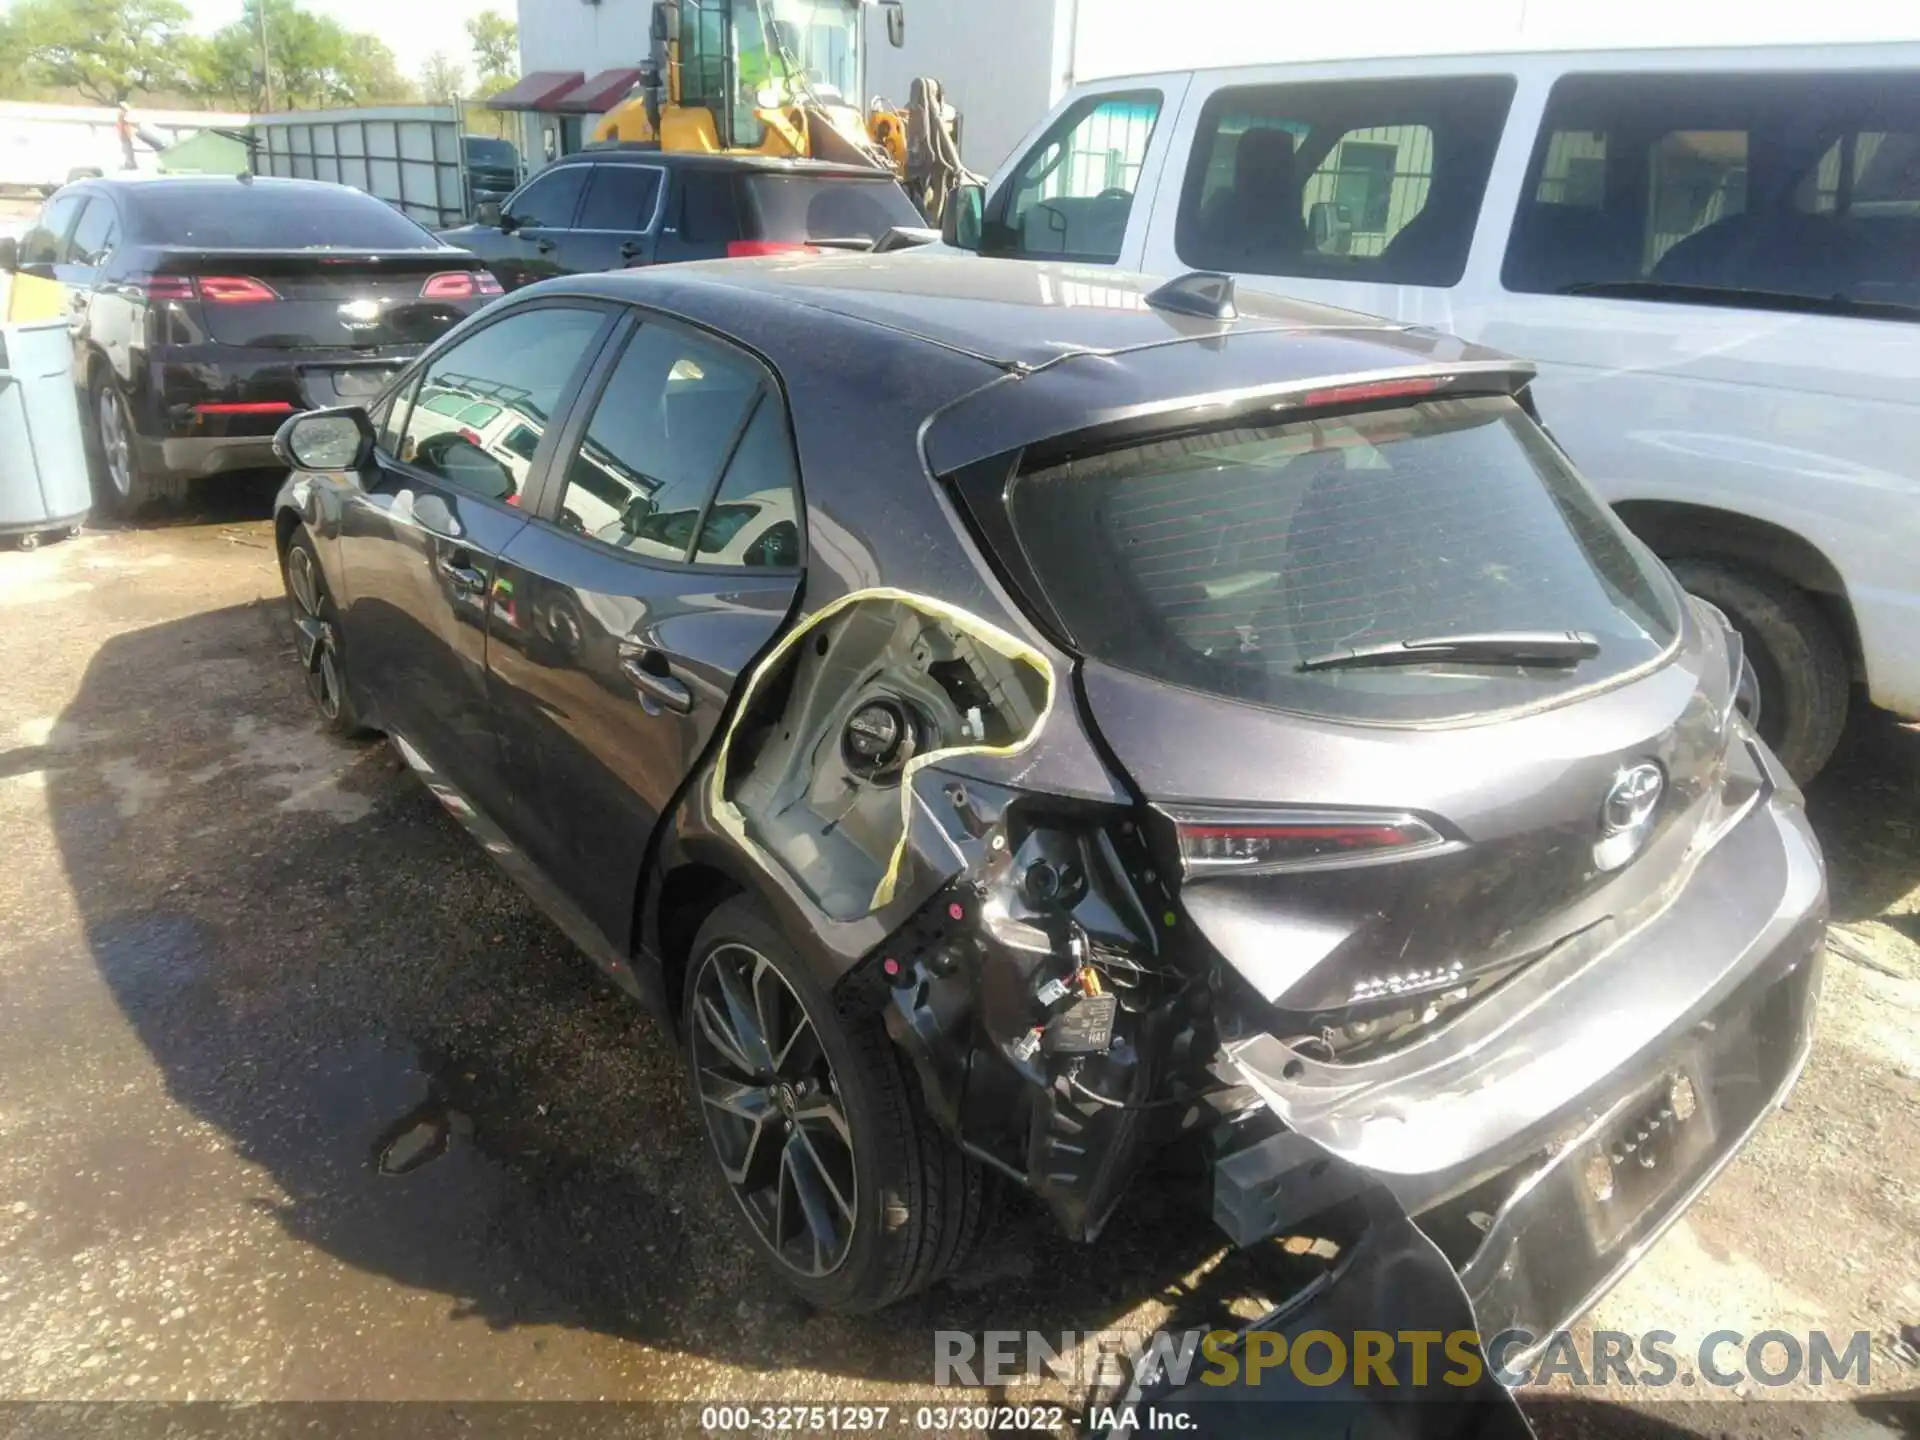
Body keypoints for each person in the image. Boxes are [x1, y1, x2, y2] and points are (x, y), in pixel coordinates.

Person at [116, 104, 138, 170]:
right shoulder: (122, 116)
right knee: (127, 149)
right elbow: (124, 126)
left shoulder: (121, 116)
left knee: (127, 149)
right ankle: (129, 163)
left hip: (124, 136)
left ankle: (130, 163)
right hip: (124, 136)